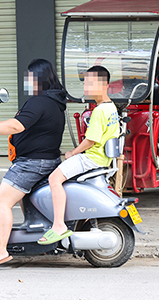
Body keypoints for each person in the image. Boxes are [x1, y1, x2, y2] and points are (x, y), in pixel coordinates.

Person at [0, 58, 67, 270]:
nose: (27, 80)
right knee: (23, 196)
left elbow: (18, 125)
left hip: (32, 163)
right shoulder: (53, 102)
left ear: (39, 78)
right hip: (48, 160)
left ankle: (0, 250)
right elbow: (30, 123)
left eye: (30, 76)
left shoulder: (39, 101)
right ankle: (33, 231)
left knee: (2, 201)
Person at [38, 65, 119, 245]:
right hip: (102, 159)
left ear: (104, 84)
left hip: (91, 158)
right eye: (85, 83)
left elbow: (90, 140)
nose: (86, 87)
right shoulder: (111, 108)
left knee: (54, 179)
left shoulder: (99, 111)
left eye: (90, 83)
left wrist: (72, 153)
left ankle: (58, 225)